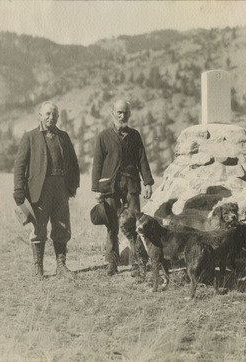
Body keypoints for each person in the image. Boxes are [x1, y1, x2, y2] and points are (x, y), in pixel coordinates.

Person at [13, 101, 80, 280]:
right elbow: (19, 165)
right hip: (39, 189)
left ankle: (61, 266)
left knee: (62, 226)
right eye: (47, 114)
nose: (51, 117)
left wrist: (72, 186)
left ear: (58, 117)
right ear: (40, 115)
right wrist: (18, 189)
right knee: (39, 228)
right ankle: (38, 269)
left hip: (61, 187)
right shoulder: (30, 137)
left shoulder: (64, 137)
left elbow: (73, 163)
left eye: (54, 114)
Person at [91, 100, 154, 276]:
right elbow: (97, 163)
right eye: (119, 112)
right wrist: (96, 188)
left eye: (125, 112)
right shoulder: (103, 136)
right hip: (109, 186)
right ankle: (112, 262)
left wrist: (148, 182)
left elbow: (142, 160)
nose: (122, 116)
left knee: (134, 222)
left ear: (130, 114)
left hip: (131, 184)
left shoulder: (135, 136)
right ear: (112, 113)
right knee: (112, 224)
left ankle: (137, 263)